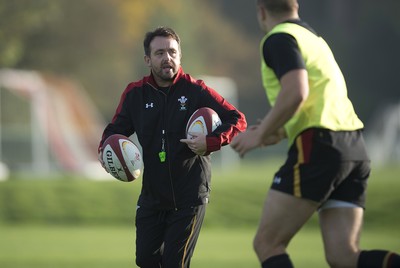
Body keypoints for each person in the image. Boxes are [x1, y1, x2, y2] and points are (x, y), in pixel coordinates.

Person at [231, 1, 400, 267]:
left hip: (320, 147)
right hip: (354, 148)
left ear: (261, 11)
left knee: (267, 243)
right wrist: (278, 131)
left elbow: (297, 92)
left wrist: (260, 133)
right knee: (344, 256)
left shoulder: (278, 38)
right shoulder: (315, 40)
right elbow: (319, 102)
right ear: (296, 6)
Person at [98, 26, 247, 267]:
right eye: (159, 53)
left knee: (174, 264)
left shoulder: (196, 90)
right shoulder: (135, 94)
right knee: (145, 260)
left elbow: (237, 119)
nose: (167, 57)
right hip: (152, 197)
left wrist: (210, 142)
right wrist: (104, 152)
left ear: (180, 56)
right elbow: (114, 131)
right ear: (148, 59)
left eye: (172, 52)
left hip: (189, 196)